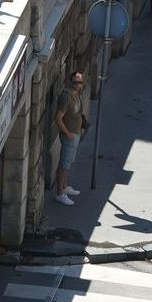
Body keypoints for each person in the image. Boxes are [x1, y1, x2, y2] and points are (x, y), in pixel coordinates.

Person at [53, 71, 86, 206]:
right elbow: (58, 118)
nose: (77, 85)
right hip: (70, 135)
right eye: (74, 82)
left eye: (79, 83)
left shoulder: (76, 94)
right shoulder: (66, 97)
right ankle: (60, 193)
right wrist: (68, 134)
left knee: (69, 163)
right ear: (69, 82)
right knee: (64, 165)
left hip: (75, 134)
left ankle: (65, 186)